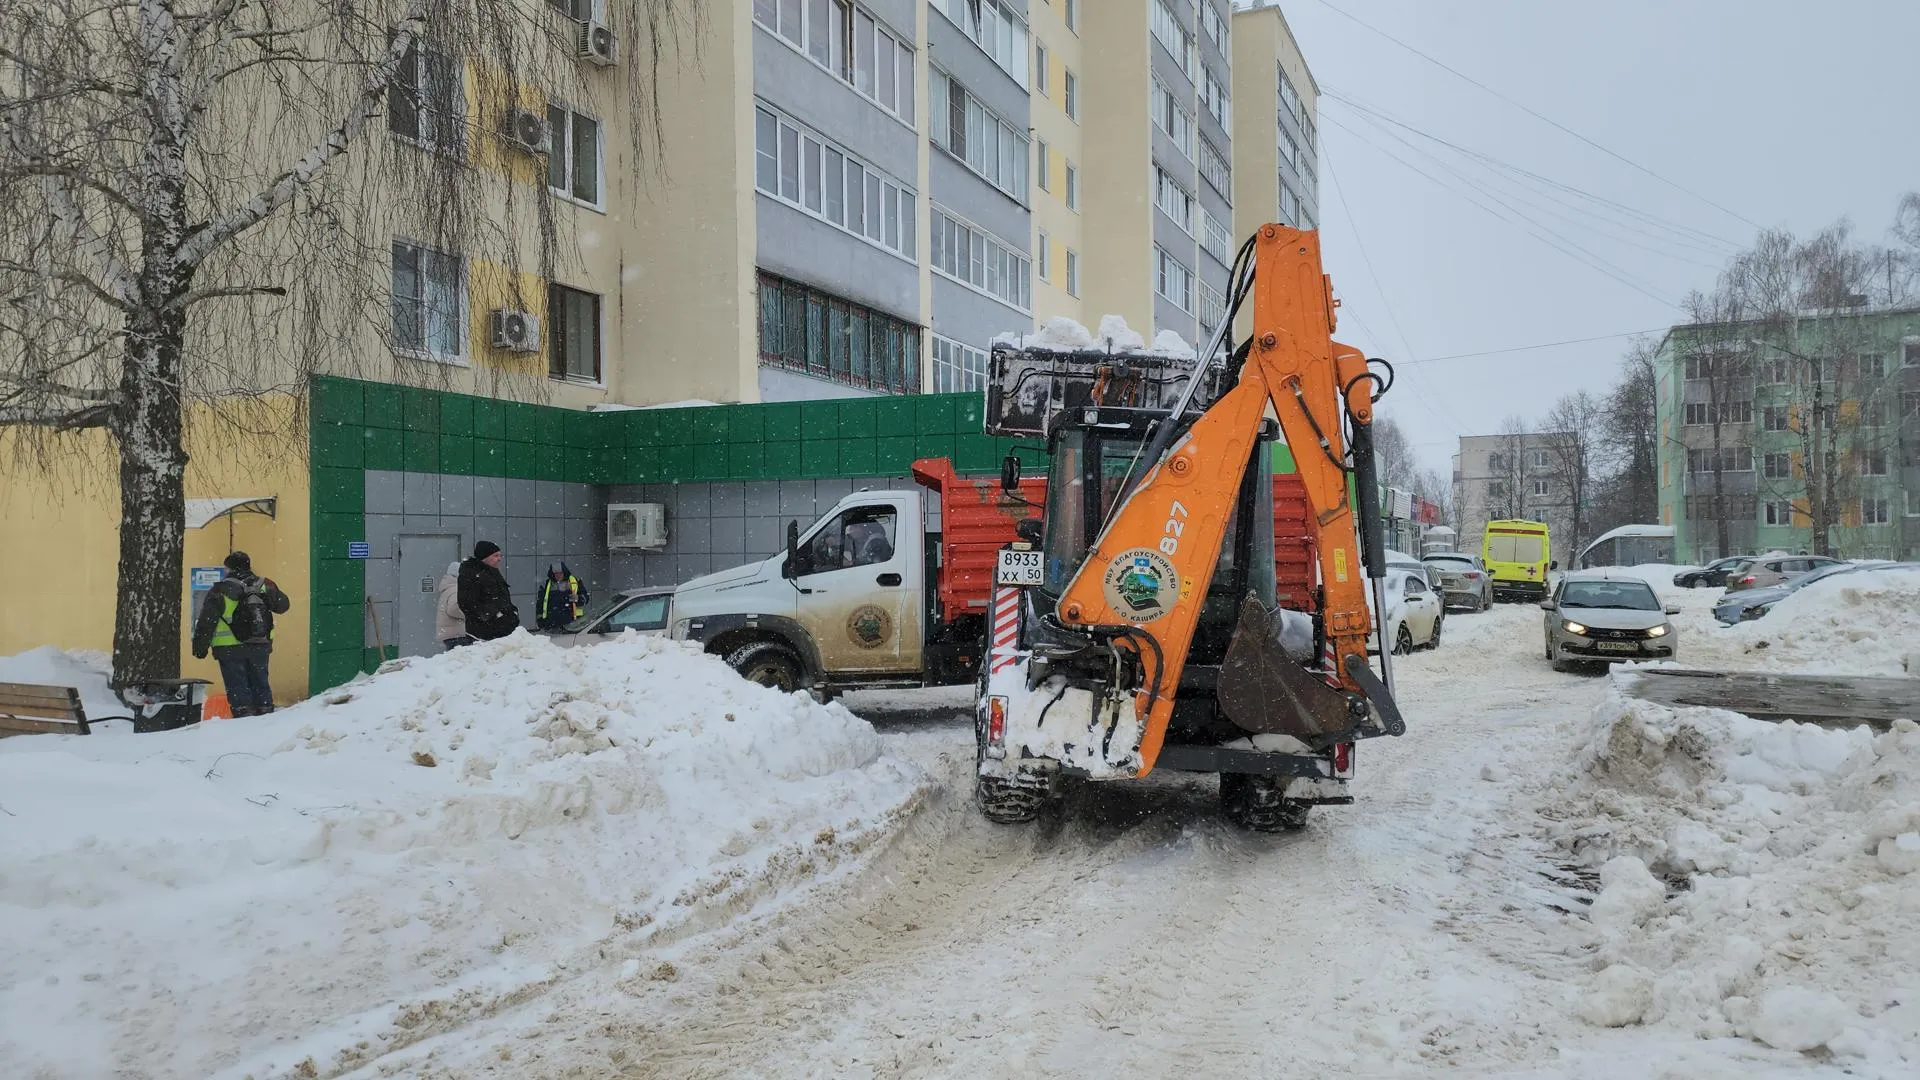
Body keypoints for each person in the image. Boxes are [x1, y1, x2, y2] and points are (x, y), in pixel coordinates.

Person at [191, 551, 291, 717]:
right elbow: (283, 606)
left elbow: (207, 621)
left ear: (229, 568)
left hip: (229, 649)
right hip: (260, 644)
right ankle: (265, 717)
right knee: (260, 684)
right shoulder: (264, 584)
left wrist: (200, 647)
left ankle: (243, 719)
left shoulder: (220, 589)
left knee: (238, 688)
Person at [456, 541, 521, 641]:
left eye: (500, 555)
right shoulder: (471, 574)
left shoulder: (493, 573)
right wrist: (494, 615)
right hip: (484, 635)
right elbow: (466, 603)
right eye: (495, 555)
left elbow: (503, 599)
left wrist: (512, 612)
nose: (499, 559)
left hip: (502, 632)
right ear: (484, 557)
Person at [535, 563, 589, 631]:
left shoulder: (574, 581)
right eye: (556, 573)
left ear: (564, 572)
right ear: (552, 574)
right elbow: (540, 604)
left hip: (572, 624)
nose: (558, 575)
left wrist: (578, 598)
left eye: (560, 573)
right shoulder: (547, 584)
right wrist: (540, 620)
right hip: (551, 625)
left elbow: (586, 598)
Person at [435, 561, 471, 650]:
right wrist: (470, 615)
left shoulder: (448, 588)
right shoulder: (455, 589)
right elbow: (453, 609)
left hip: (450, 634)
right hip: (457, 634)